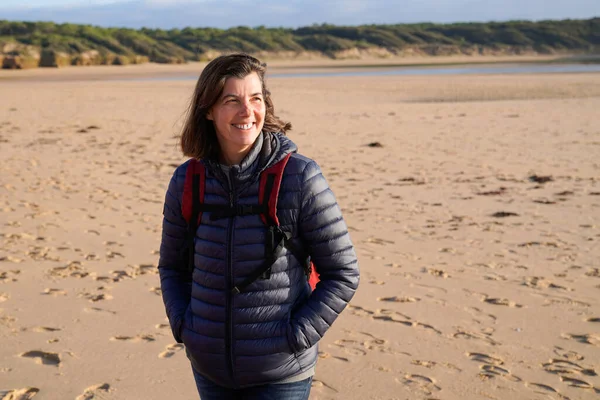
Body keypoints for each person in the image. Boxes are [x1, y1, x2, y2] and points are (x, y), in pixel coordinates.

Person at [158, 53, 360, 399]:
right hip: (209, 368)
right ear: (208, 109)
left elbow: (343, 273)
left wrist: (295, 337)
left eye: (255, 98)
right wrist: (185, 327)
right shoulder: (187, 181)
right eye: (231, 100)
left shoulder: (299, 176)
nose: (246, 111)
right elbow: (172, 267)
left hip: (280, 373)